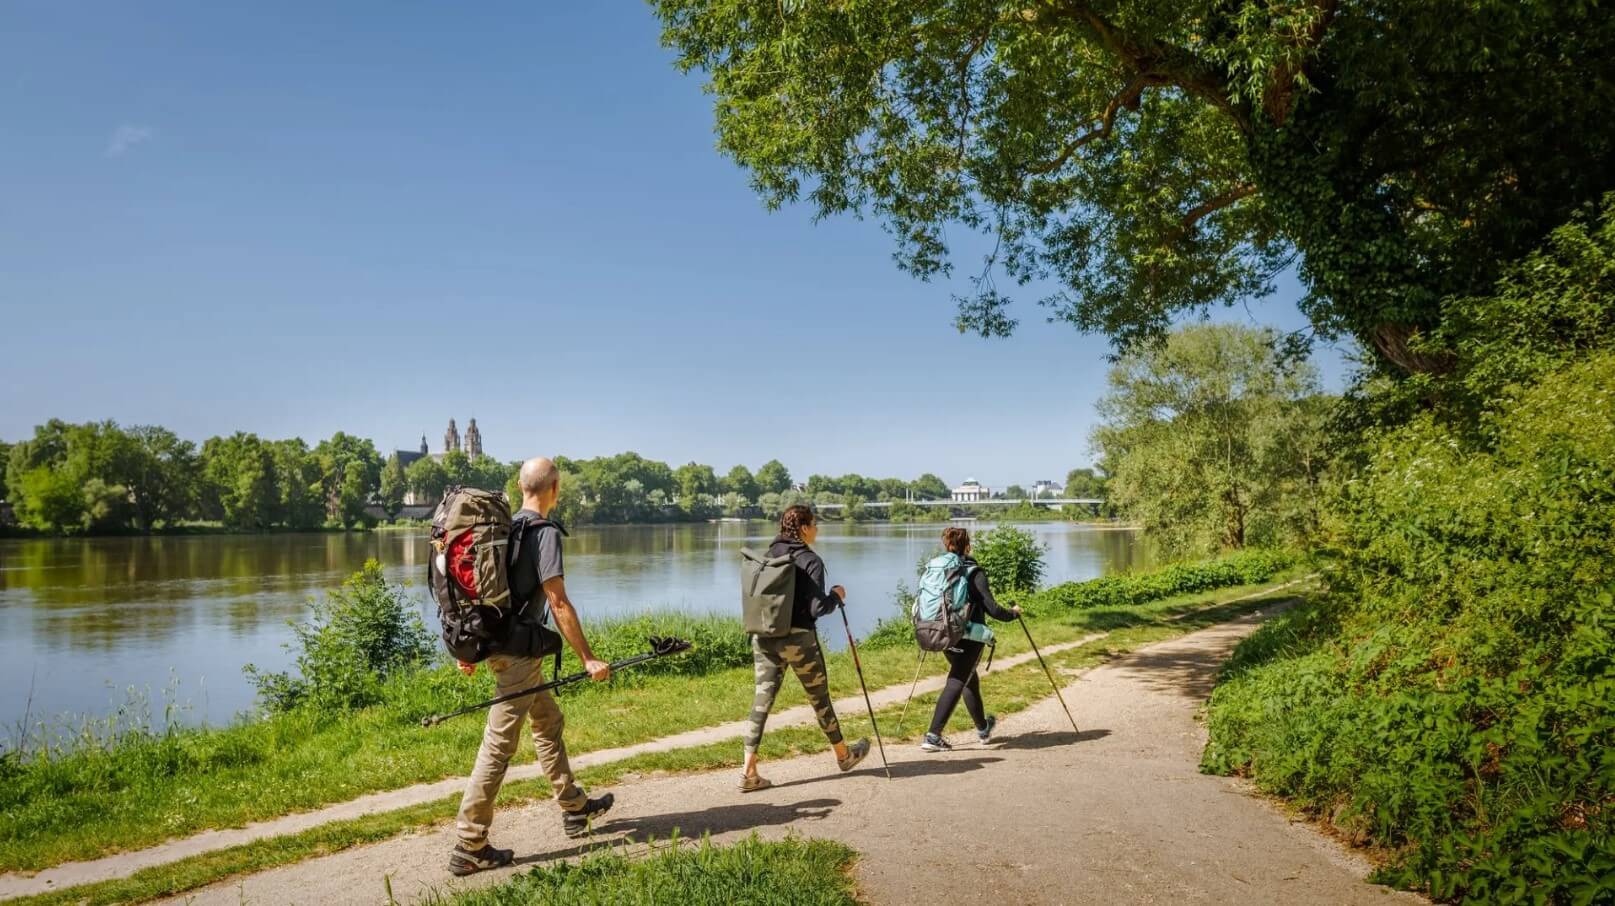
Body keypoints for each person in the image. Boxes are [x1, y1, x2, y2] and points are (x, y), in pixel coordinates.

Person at [448, 457, 616, 877]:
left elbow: (480, 595)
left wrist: (470, 650)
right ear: (554, 488)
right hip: (518, 654)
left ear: (521, 486)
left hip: (502, 646)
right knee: (498, 745)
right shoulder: (541, 534)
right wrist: (588, 658)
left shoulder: (506, 530)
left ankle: (574, 807)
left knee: (547, 719)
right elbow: (558, 602)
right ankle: (470, 843)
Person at [739, 505, 870, 791]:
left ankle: (749, 772)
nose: (817, 530)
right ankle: (844, 756)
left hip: (764, 638)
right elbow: (816, 608)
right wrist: (836, 596)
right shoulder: (810, 559)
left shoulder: (769, 555)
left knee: (761, 702)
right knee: (819, 700)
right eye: (814, 524)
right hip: (798, 641)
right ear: (804, 528)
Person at [920, 526, 1021, 753]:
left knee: (967, 677)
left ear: (947, 545)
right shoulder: (973, 572)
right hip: (969, 637)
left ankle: (983, 728)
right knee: (958, 679)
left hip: (944, 633)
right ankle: (933, 735)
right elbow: (993, 609)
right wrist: (1014, 613)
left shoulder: (939, 568)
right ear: (968, 546)